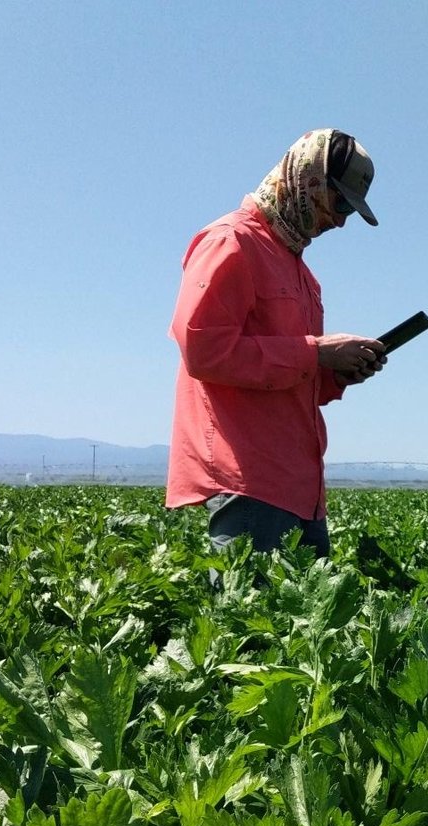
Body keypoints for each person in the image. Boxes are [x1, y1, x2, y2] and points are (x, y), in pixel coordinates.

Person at [165, 128, 386, 558]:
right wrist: (316, 352)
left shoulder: (303, 274)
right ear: (308, 180)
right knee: (250, 623)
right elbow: (203, 349)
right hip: (250, 483)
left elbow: (292, 377)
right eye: (340, 202)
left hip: (302, 489)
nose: (340, 221)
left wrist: (336, 373)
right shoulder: (231, 241)